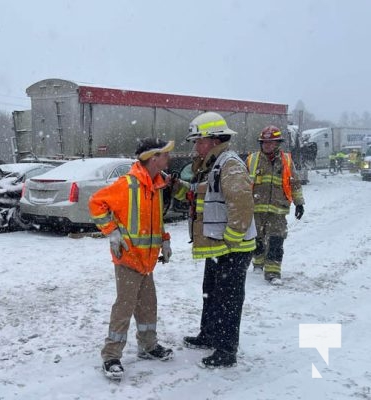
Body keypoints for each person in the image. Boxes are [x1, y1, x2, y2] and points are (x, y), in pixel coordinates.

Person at [173, 112, 256, 368]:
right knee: (211, 293)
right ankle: (208, 335)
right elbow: (207, 192)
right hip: (219, 247)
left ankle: (226, 350)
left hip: (232, 248)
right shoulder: (216, 164)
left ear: (212, 140)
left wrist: (231, 240)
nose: (196, 146)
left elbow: (241, 203)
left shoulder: (229, 164)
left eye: (198, 141)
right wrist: (177, 186)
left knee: (228, 300)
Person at [88, 137, 175, 380]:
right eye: (164, 154)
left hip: (146, 261)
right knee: (124, 307)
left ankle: (148, 346)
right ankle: (111, 355)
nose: (168, 158)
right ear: (152, 158)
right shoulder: (128, 184)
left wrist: (164, 239)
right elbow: (96, 203)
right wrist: (112, 232)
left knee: (148, 306)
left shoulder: (155, 186)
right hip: (128, 259)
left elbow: (154, 220)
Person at [246, 126, 305, 284]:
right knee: (256, 239)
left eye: (271, 142)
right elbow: (243, 184)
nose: (267, 145)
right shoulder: (252, 160)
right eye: (264, 142)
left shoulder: (286, 160)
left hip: (278, 209)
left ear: (278, 143)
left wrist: (299, 203)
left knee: (276, 241)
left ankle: (273, 273)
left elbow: (295, 183)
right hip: (256, 208)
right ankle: (258, 263)